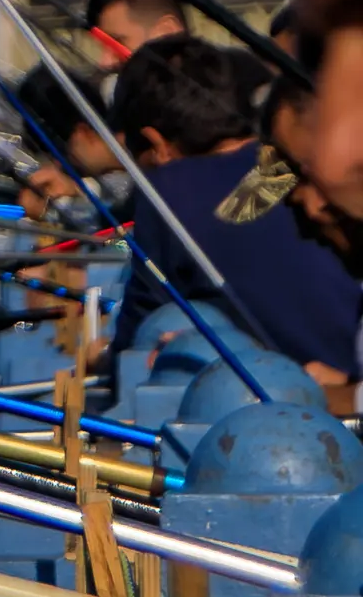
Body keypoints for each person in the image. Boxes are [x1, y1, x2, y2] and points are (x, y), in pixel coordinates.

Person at [103, 31, 362, 387]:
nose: (306, 204)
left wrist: (103, 358)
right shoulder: (295, 171)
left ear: (155, 144)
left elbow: (133, 350)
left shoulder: (168, 191)